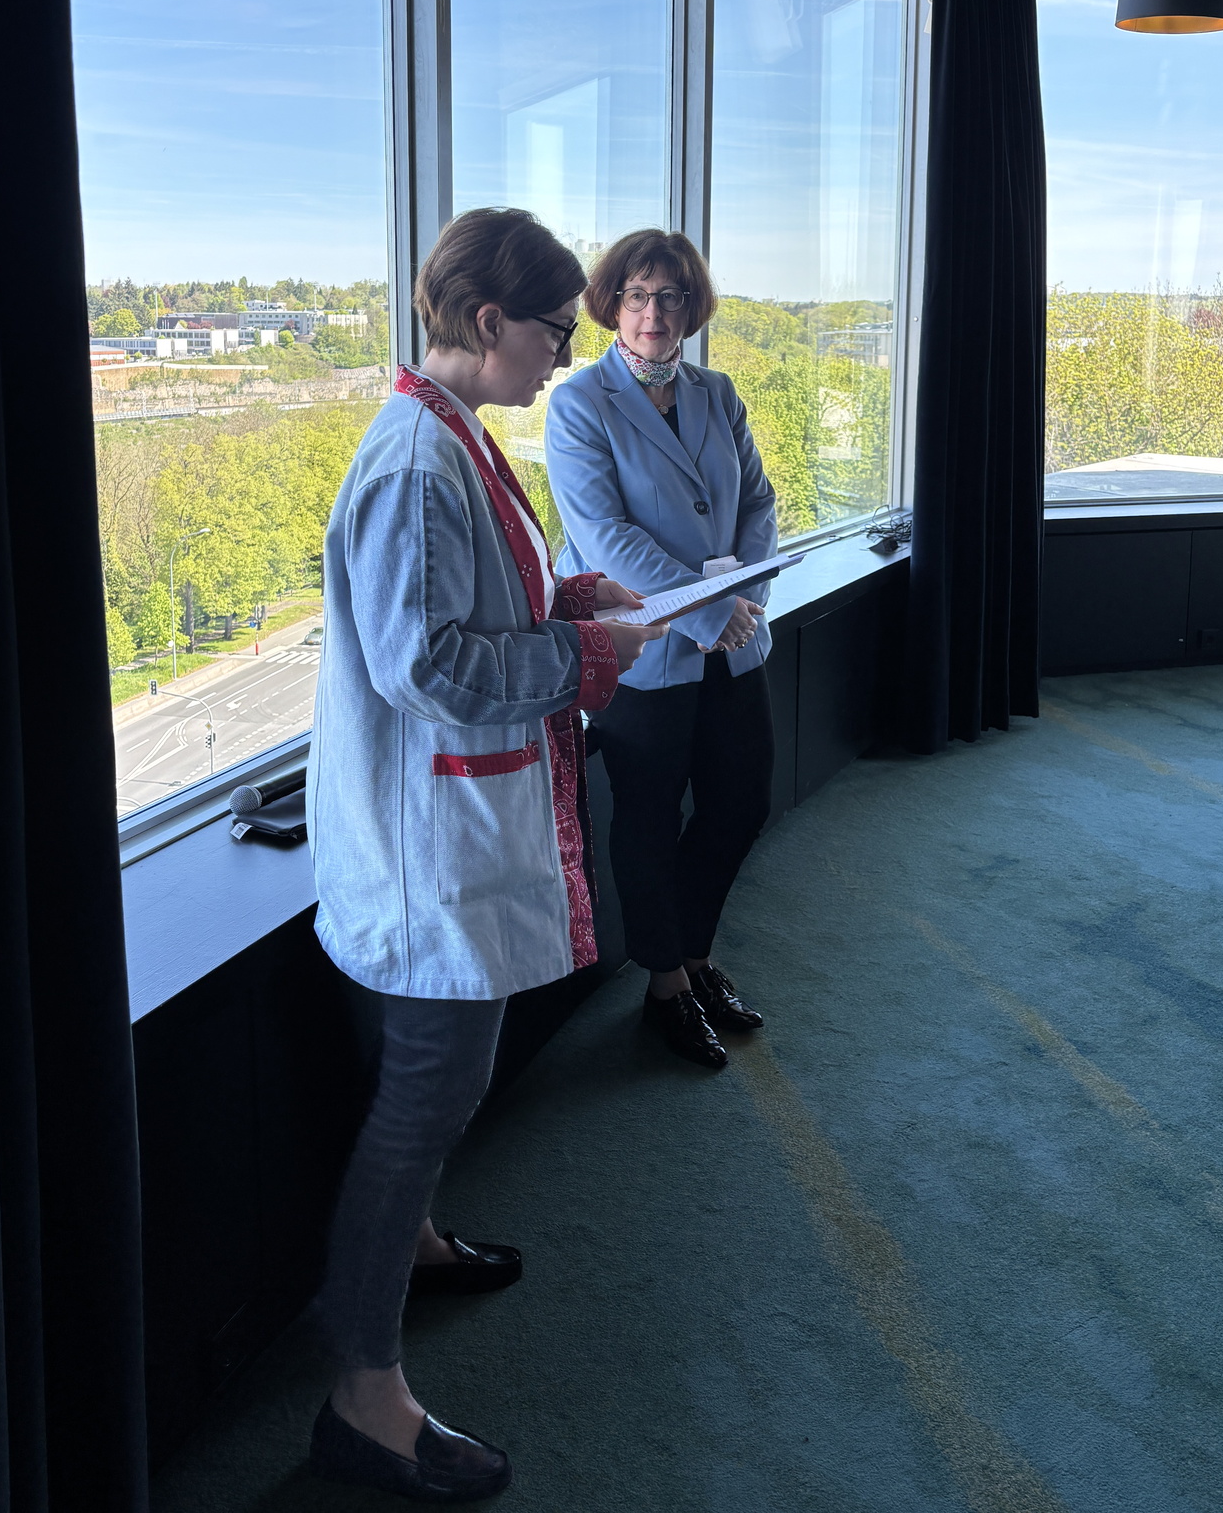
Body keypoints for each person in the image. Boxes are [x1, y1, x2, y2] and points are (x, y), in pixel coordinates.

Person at [304, 207, 665, 1502]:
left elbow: (462, 614)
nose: (566, 352)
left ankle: (413, 1245)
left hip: (445, 839)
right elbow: (429, 667)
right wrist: (583, 654)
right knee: (425, 1105)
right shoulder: (418, 462)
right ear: (486, 319)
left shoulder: (450, 435)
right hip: (427, 861)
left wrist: (564, 603)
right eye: (556, 329)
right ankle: (363, 1399)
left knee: (432, 1098)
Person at [543, 229, 779, 1071]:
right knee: (646, 821)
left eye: (670, 296)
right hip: (643, 651)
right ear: (612, 304)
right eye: (638, 295)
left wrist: (747, 602)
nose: (653, 312)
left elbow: (758, 505)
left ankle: (695, 955)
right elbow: (603, 536)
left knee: (740, 804)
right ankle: (667, 985)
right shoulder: (579, 403)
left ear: (691, 306)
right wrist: (710, 612)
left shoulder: (718, 392)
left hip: (732, 645)